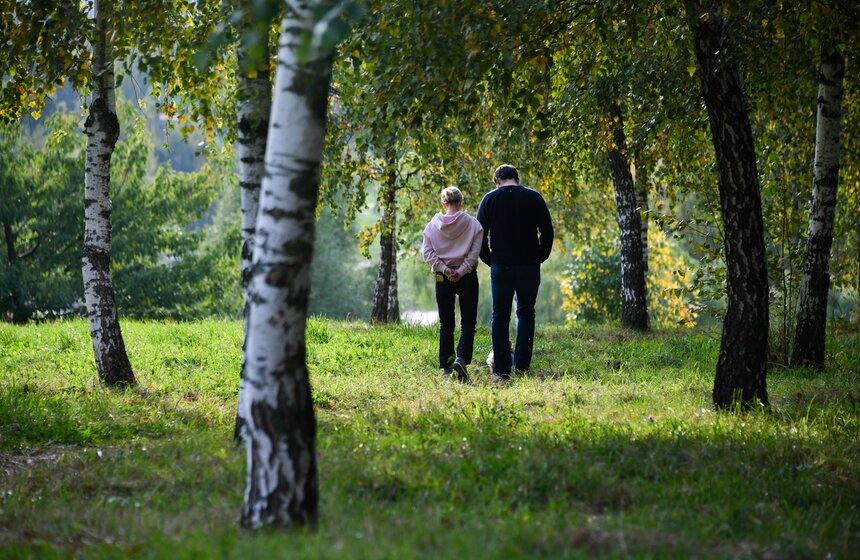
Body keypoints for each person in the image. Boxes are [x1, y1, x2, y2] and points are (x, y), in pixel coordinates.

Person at [476, 164, 554, 381]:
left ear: (497, 180)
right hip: (529, 266)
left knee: (499, 316)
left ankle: (502, 369)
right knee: (526, 313)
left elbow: (479, 234)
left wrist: (489, 260)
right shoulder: (534, 198)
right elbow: (547, 231)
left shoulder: (490, 199)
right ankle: (521, 366)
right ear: (516, 179)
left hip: (501, 265)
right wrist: (539, 257)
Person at [422, 186, 483, 381]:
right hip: (467, 277)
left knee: (446, 323)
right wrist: (461, 270)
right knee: (468, 322)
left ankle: (446, 366)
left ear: (443, 203)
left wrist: (444, 268)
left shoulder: (432, 225)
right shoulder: (474, 225)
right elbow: (474, 254)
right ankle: (462, 359)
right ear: (461, 203)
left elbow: (427, 253)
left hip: (442, 278)